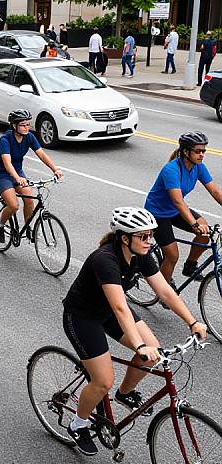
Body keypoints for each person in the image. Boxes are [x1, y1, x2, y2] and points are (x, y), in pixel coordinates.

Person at [62, 207, 207, 456]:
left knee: (156, 352)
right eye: (144, 236)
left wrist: (193, 322)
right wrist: (139, 346)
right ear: (124, 238)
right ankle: (79, 424)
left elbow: (165, 292)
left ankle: (125, 393)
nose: (150, 241)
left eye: (151, 235)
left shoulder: (142, 254)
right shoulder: (104, 259)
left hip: (108, 313)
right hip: (83, 317)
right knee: (103, 380)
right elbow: (120, 307)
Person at [144, 132, 222, 285]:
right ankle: (164, 292)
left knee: (205, 233)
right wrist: (194, 224)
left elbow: (215, 191)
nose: (202, 155)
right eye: (198, 151)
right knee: (172, 255)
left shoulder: (198, 167)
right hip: (157, 213)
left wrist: (199, 224)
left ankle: (190, 266)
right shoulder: (171, 170)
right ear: (186, 152)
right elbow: (178, 201)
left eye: (203, 151)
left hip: (174, 211)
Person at [0, 110, 62, 243]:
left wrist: (55, 169)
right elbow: (7, 163)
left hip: (18, 172)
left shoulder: (29, 137)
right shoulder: (5, 140)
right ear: (14, 126)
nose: (26, 127)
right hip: (2, 175)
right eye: (23, 125)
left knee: (29, 200)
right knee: (13, 205)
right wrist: (17, 178)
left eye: (28, 124)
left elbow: (41, 154)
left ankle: (28, 228)